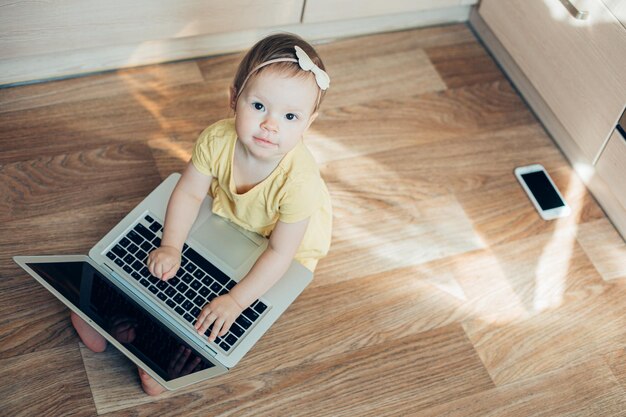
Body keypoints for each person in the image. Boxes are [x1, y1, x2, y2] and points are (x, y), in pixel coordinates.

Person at [71, 32, 332, 396]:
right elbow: (191, 191)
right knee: (161, 264)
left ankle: (162, 355)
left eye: (290, 116)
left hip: (276, 248)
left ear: (309, 123)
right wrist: (172, 245)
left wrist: (237, 301)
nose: (271, 125)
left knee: (218, 310)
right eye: (259, 107)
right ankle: (111, 312)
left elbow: (281, 253)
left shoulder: (300, 182)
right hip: (228, 217)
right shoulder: (217, 139)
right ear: (234, 97)